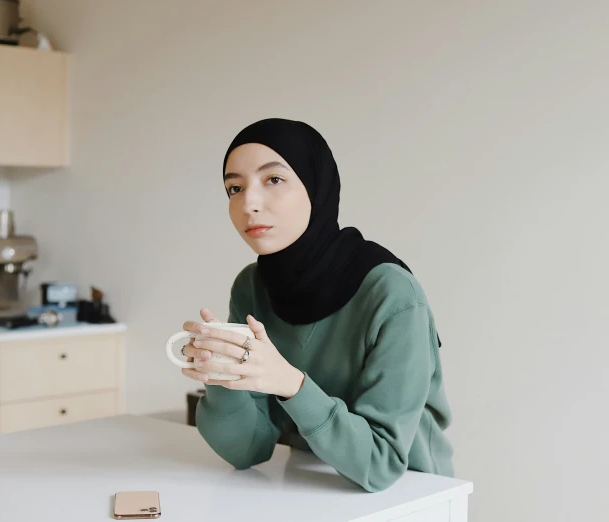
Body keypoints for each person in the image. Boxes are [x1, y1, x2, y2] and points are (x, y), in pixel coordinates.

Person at [180, 118, 454, 493]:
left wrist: (289, 383)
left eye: (273, 180)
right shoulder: (252, 286)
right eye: (235, 187)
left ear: (315, 185)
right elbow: (247, 452)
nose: (249, 203)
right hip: (308, 488)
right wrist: (222, 375)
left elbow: (381, 463)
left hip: (412, 494)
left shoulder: (391, 293)